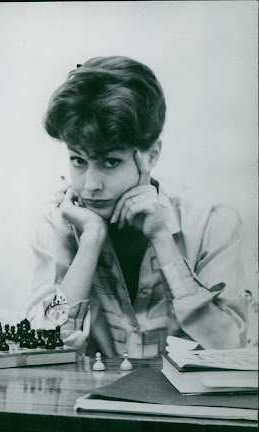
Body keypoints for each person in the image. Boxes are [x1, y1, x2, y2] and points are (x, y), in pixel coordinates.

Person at [26, 56, 248, 358]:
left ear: (151, 155)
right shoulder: (60, 221)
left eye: (110, 161)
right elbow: (41, 345)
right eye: (78, 160)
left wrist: (162, 238)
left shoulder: (211, 222)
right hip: (95, 390)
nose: (91, 184)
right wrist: (90, 242)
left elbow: (231, 347)